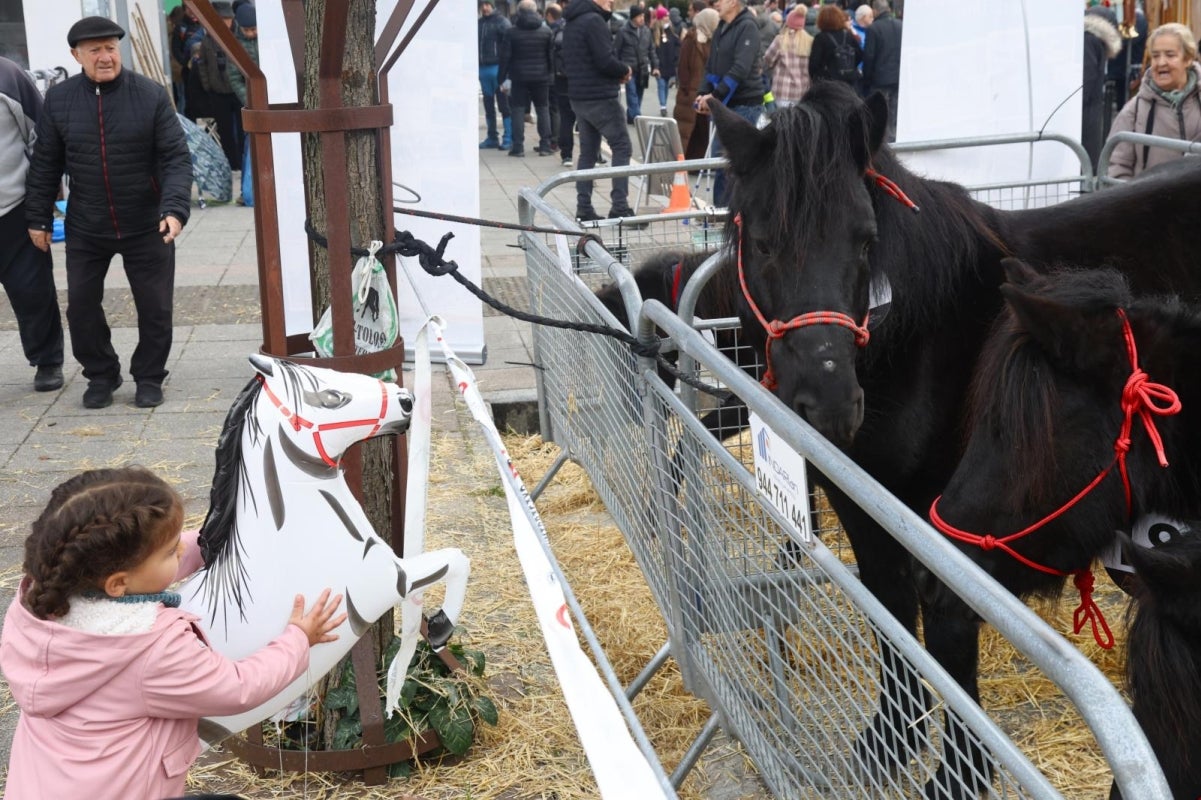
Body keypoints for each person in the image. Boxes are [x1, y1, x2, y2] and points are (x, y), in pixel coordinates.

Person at [0, 466, 346, 799]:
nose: (180, 549)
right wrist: (298, 639)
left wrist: (212, 541)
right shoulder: (150, 649)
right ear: (118, 583)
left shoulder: (41, 602)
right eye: (170, 551)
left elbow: (142, 569)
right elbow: (238, 687)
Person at [25, 17, 192, 410]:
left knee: (155, 308)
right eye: (95, 50)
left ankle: (149, 376)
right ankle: (101, 373)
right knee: (81, 305)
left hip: (147, 223)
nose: (105, 57)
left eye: (111, 48)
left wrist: (174, 208)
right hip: (87, 224)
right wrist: (38, 218)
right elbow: (46, 162)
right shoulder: (61, 99)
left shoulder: (149, 95)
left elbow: (175, 159)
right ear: (76, 55)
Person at [0, 57, 65, 394]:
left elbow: (41, 134)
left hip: (13, 205)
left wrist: (43, 198)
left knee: (32, 290)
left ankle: (47, 360)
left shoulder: (7, 75)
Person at [563, 0, 639, 221]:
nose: (611, 2)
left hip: (579, 96)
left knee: (588, 152)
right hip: (600, 96)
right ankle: (620, 206)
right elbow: (605, 60)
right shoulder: (594, 21)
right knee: (622, 147)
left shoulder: (572, 21)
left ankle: (584, 207)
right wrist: (624, 70)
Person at [1107, 22, 1201, 180]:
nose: (1161, 62)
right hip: (1151, 203)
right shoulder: (1134, 111)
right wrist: (1133, 202)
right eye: (1155, 56)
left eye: (1170, 55)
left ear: (1188, 59)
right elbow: (1116, 167)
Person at [695, 0, 764, 205]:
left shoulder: (747, 27)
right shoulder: (722, 28)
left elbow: (740, 69)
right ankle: (721, 213)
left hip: (744, 104)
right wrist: (703, 93)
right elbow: (711, 67)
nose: (714, 4)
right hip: (725, 105)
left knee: (734, 166)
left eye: (719, 0)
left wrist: (714, 97)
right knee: (721, 164)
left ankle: (733, 216)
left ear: (733, 2)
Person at [500, 0, 555, 157]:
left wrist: (501, 78)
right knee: (543, 109)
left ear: (519, 12)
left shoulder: (511, 32)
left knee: (517, 110)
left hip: (518, 77)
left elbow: (505, 58)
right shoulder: (546, 31)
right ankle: (545, 145)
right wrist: (550, 75)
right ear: (536, 11)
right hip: (541, 77)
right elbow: (550, 57)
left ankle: (518, 147)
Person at [673, 7, 718, 161]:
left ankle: (696, 161)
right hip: (690, 93)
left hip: (704, 93)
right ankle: (680, 161)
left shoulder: (713, 40)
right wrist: (685, 88)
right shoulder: (691, 39)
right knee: (686, 131)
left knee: (702, 130)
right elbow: (683, 66)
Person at [1082, 5, 1121, 171]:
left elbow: (1087, 78)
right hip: (1091, 112)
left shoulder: (1088, 39)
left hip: (1084, 113)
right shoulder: (1098, 40)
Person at [227, 3, 259, 206]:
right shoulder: (236, 45)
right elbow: (234, 77)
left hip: (273, 100)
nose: (250, 33)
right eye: (247, 30)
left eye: (253, 29)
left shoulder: (267, 39)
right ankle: (247, 192)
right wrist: (248, 100)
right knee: (250, 148)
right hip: (252, 103)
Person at [861, 0, 901, 138]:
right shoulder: (900, 25)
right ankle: (894, 138)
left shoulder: (874, 28)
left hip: (879, 78)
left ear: (875, 11)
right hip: (897, 76)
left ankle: (882, 141)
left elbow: (869, 56)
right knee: (894, 111)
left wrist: (866, 80)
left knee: (878, 113)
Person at [614, 5, 659, 124]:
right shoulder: (623, 31)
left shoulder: (646, 31)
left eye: (643, 16)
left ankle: (631, 116)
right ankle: (637, 118)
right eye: (640, 16)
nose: (642, 18)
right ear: (633, 17)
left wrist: (655, 67)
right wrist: (616, 69)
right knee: (632, 94)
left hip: (643, 69)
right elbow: (616, 51)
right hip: (628, 69)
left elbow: (651, 50)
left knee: (639, 94)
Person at [763, 5, 813, 108]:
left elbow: (767, 60)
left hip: (781, 91)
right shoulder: (810, 41)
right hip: (802, 92)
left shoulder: (780, 40)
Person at [479, 0, 513, 150]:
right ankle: (492, 137)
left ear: (492, 6)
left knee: (503, 104)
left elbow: (510, 46)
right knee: (488, 104)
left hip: (498, 68)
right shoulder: (479, 23)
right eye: (482, 4)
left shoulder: (502, 22)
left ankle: (508, 137)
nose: (485, 7)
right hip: (483, 68)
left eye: (487, 4)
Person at [547, 2, 576, 166]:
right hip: (578, 78)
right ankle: (595, 154)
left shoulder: (557, 29)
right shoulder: (583, 26)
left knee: (566, 117)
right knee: (585, 118)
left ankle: (567, 154)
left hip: (561, 78)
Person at [809, 4, 861, 88]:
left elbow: (814, 64)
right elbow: (859, 54)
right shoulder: (848, 35)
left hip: (828, 82)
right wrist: (849, 66)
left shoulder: (820, 38)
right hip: (849, 81)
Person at [652, 6, 680, 116]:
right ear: (660, 18)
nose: (667, 18)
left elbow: (678, 44)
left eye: (668, 16)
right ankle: (663, 106)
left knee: (666, 86)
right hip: (659, 65)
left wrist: (676, 58)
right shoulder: (655, 32)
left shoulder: (671, 31)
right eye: (665, 16)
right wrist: (654, 65)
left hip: (670, 65)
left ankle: (664, 104)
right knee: (661, 85)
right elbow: (652, 50)